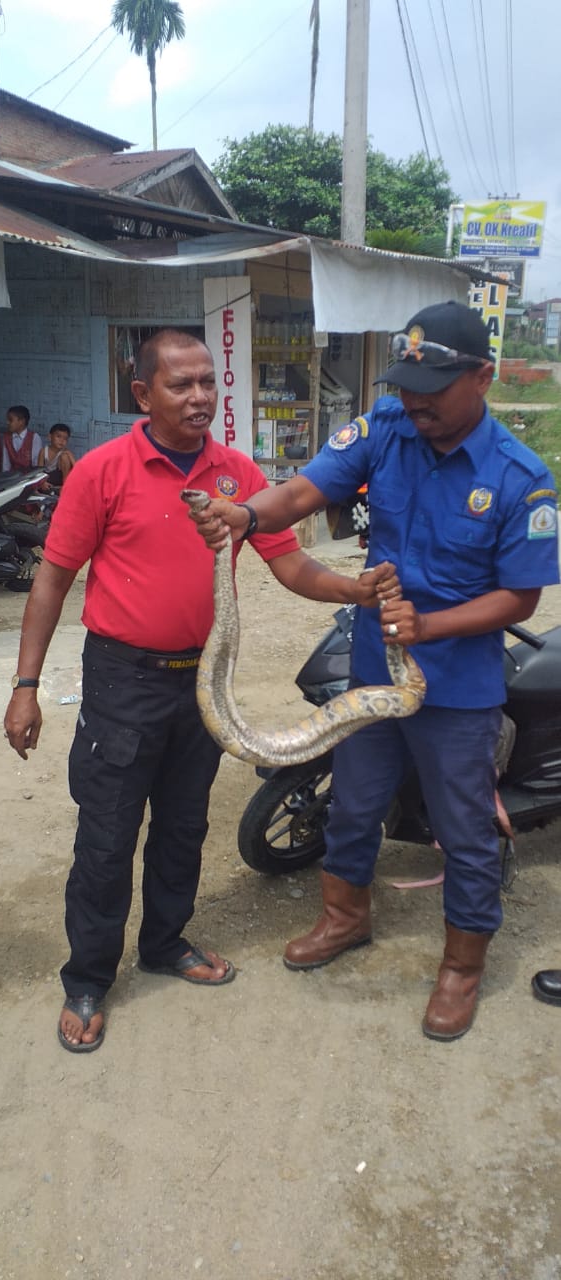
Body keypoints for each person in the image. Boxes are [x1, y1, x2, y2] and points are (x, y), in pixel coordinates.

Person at [3, 328, 399, 1054]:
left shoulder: (237, 474)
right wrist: (25, 687)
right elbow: (53, 579)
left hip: (204, 680)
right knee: (107, 834)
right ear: (142, 393)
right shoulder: (102, 471)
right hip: (122, 678)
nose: (199, 397)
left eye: (208, 383)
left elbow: (290, 566)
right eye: (180, 384)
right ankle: (88, 978)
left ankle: (164, 943)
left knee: (184, 825)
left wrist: (356, 590)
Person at [191, 301, 560, 1042]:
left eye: (433, 388)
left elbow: (519, 597)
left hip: (457, 688)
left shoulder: (521, 478)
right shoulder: (386, 428)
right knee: (354, 806)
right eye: (406, 385)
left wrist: (430, 625)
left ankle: (461, 967)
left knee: (463, 829)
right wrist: (249, 517)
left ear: (483, 377)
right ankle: (345, 918)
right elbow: (305, 492)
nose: (415, 402)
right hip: (371, 676)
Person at [2, 405, 43, 473]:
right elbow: (6, 464)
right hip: (12, 476)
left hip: (29, 475)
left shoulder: (34, 437)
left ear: (21, 421)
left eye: (10, 420)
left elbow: (36, 463)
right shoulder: (6, 438)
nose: (7, 422)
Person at [38, 422, 76, 487]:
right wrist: (42, 482)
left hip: (60, 478)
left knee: (65, 457)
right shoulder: (43, 451)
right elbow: (39, 470)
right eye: (58, 436)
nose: (62, 440)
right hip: (47, 477)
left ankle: (65, 486)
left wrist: (70, 455)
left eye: (65, 439)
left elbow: (76, 468)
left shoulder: (66, 452)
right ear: (50, 437)